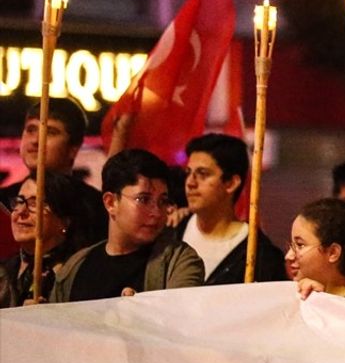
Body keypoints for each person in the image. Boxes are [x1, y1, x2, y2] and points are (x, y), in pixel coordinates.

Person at [51, 149, 204, 302]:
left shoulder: (178, 261)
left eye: (162, 201)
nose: (156, 213)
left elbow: (180, 317)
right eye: (143, 200)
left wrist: (141, 312)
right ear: (111, 202)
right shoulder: (75, 266)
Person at [170, 134, 287, 285]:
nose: (190, 183)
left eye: (203, 174)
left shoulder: (260, 254)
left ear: (231, 183)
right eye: (188, 173)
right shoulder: (171, 233)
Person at [0, 99, 107, 259]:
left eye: (50, 132)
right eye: (31, 129)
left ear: (73, 148)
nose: (36, 140)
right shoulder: (3, 202)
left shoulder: (96, 209)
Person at [1, 173, 97, 306]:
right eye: (19, 201)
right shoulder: (5, 269)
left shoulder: (80, 272)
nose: (21, 212)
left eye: (35, 203)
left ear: (65, 221)